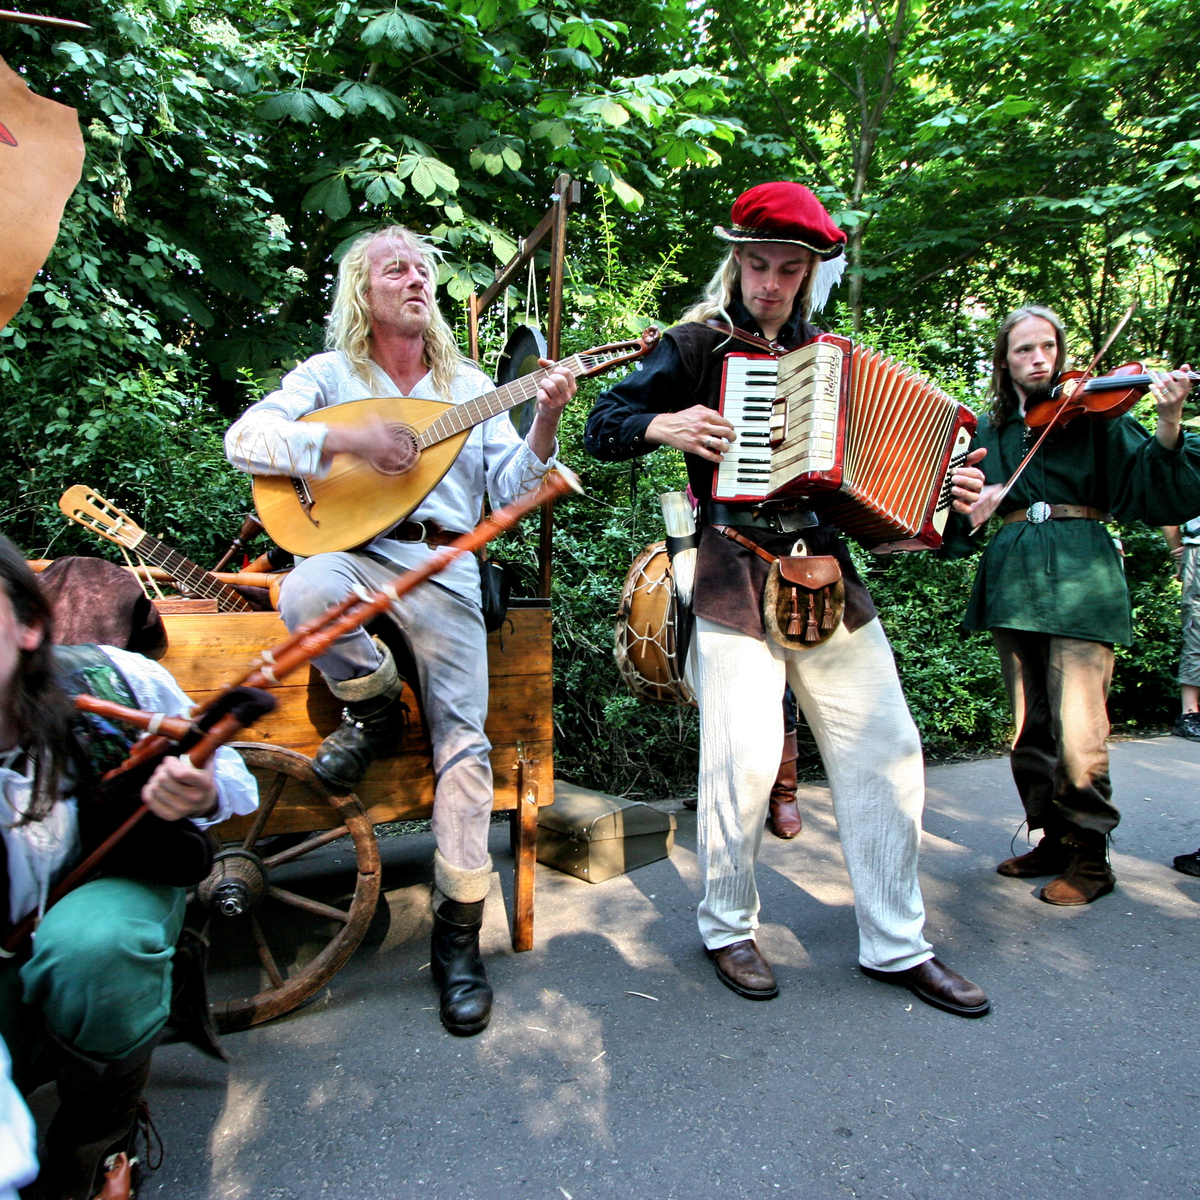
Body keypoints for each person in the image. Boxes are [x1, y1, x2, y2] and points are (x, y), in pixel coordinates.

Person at [585, 181, 991, 1017]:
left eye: (789, 270)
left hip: (825, 566)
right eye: (759, 265)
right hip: (730, 562)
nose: (771, 284)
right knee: (741, 758)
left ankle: (897, 943)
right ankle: (728, 927)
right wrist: (660, 426)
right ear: (737, 261)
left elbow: (891, 500)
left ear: (810, 274)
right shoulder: (696, 346)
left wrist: (949, 497)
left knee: (887, 744)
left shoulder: (833, 358)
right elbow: (603, 423)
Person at [225, 225, 575, 1037]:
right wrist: (348, 437)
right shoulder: (329, 375)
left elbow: (509, 489)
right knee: (306, 588)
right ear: (364, 290)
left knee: (466, 744)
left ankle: (459, 939)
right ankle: (375, 707)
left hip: (443, 562)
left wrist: (546, 420)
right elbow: (244, 441)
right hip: (351, 551)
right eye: (396, 269)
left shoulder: (468, 385)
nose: (416, 279)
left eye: (423, 269)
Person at [0, 536, 259, 1200]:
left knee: (97, 945)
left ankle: (99, 1141)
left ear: (30, 626)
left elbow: (234, 779)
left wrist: (198, 790)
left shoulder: (114, 679)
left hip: (99, 893)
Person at [948, 306, 1198, 903]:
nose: (1039, 359)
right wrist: (971, 509)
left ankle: (1091, 858)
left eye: (1048, 347)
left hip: (1081, 576)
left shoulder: (1096, 418)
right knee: (1028, 729)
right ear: (1004, 362)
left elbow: (1156, 486)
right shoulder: (989, 431)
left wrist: (1169, 422)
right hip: (1013, 579)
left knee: (1079, 729)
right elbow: (953, 517)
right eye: (1024, 349)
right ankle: (1053, 838)